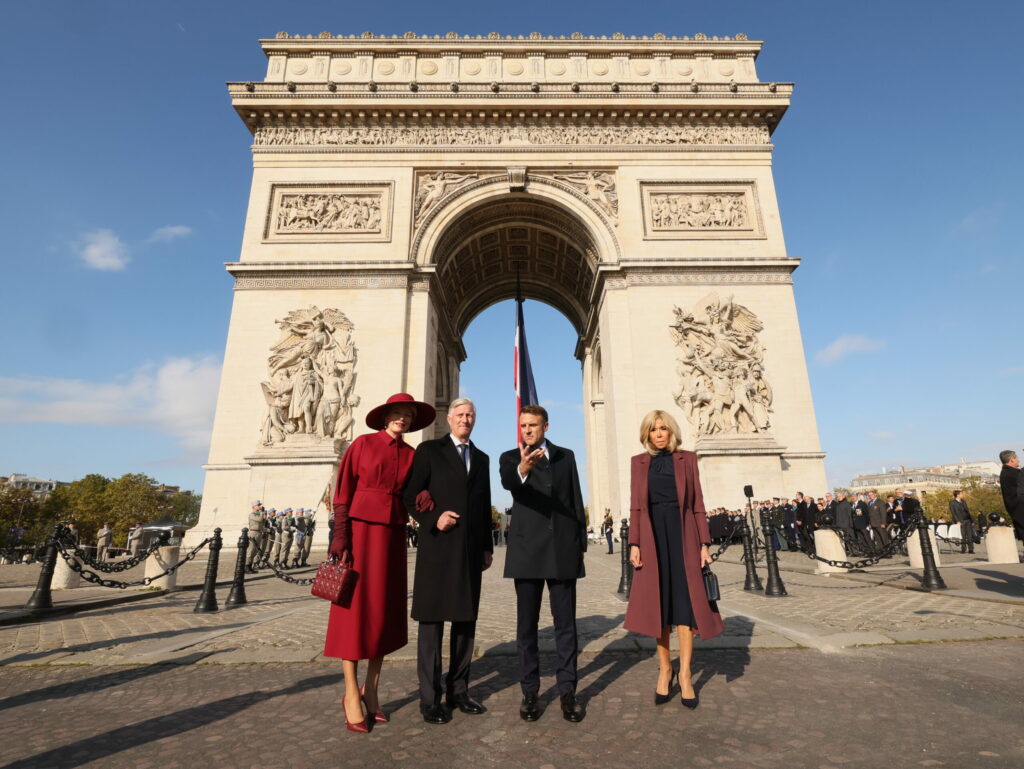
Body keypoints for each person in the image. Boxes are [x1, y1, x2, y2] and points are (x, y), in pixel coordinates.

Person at [325, 392, 436, 733]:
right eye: (397, 413)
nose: (402, 418)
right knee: (354, 612)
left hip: (392, 536)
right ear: (386, 416)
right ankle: (349, 693)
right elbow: (342, 490)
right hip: (359, 533)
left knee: (383, 613)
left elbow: (413, 493)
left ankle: (371, 690)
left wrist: (424, 499)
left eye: (407, 415)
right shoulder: (361, 444)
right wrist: (340, 534)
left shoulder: (413, 455)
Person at [403, 397, 493, 725]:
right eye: (460, 415)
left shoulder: (481, 459)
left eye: (470, 415)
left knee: (465, 622)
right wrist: (433, 519)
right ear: (450, 418)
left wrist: (486, 547)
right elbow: (410, 495)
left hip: (469, 551)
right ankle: (430, 698)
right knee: (432, 625)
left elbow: (483, 506)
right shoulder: (428, 451)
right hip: (438, 548)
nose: (465, 419)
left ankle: (459, 690)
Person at [624, 410, 722, 709]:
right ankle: (665, 670)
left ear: (672, 431)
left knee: (686, 606)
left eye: (664, 428)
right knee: (660, 607)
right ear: (647, 434)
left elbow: (698, 505)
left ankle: (686, 674)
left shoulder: (688, 459)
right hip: (654, 539)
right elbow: (636, 508)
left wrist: (704, 543)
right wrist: (635, 542)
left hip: (684, 536)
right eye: (653, 429)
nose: (659, 433)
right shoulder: (638, 463)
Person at [499, 404, 587, 723]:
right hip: (527, 552)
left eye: (533, 425)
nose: (527, 431)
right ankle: (530, 693)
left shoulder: (566, 456)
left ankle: (567, 692)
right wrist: (523, 467)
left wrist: (579, 541)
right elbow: (510, 482)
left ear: (546, 427)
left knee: (566, 626)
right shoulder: (510, 458)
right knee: (527, 628)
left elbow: (575, 498)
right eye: (523, 426)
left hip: (562, 549)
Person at [998, 450, 1024, 543]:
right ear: (1012, 460)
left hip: (1016, 509)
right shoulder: (1014, 474)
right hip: (1020, 508)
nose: (1019, 460)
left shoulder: (1006, 472)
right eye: (1017, 457)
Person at [949, 490, 974, 554]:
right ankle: (963, 549)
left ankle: (971, 549)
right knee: (962, 536)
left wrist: (971, 520)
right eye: (961, 494)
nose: (963, 495)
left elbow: (967, 511)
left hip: (968, 520)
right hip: (960, 521)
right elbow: (953, 513)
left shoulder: (963, 501)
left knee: (969, 535)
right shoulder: (952, 503)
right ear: (957, 495)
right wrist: (957, 521)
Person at [247, 502, 264, 572]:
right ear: (254, 507)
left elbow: (261, 523)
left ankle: (250, 566)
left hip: (259, 532)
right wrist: (262, 513)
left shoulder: (258, 514)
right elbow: (260, 519)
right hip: (253, 533)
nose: (260, 506)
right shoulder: (252, 515)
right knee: (251, 550)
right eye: (258, 505)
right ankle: (247, 565)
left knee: (255, 551)